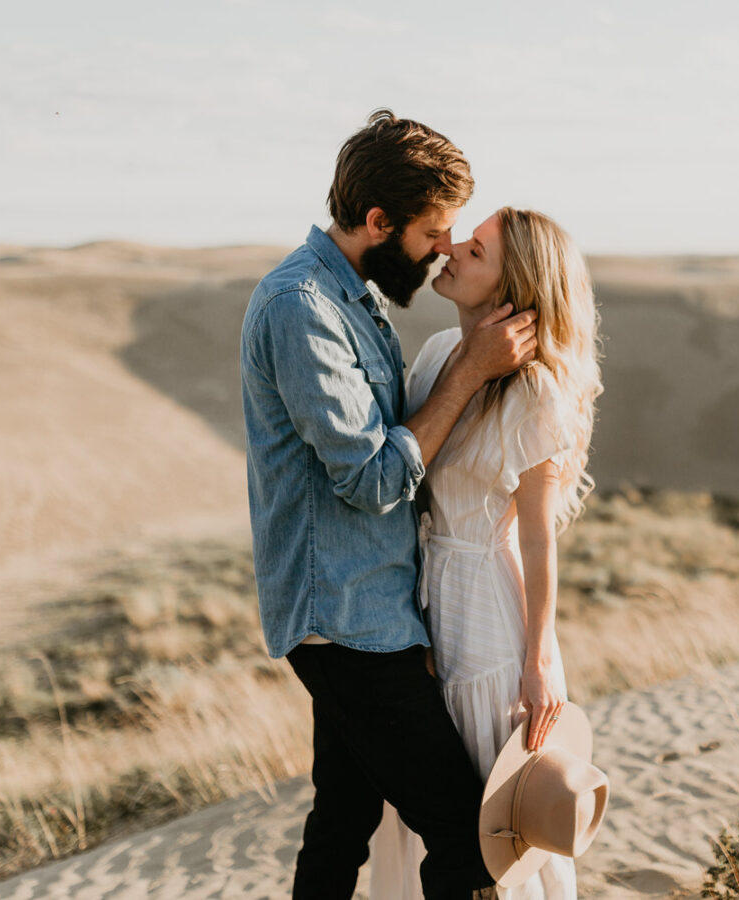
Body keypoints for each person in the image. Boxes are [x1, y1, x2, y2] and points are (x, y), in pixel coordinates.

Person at [239, 110, 537, 900]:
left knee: (343, 819)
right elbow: (372, 479)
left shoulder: (353, 298)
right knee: (465, 838)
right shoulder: (303, 307)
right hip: (344, 620)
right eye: (433, 231)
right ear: (379, 222)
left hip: (374, 610)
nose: (443, 246)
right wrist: (469, 372)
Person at [368, 207, 602, 899]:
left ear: (511, 289)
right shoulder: (440, 351)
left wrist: (539, 660)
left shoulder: (535, 391)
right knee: (429, 816)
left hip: (489, 626)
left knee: (502, 821)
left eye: (475, 251)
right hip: (423, 604)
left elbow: (537, 537)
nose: (452, 250)